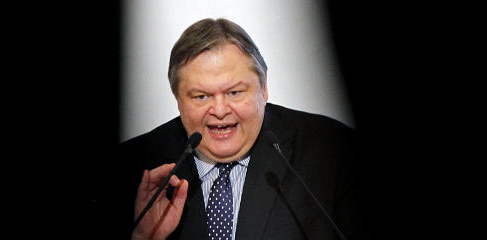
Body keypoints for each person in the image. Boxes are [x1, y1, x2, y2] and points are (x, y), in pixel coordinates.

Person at [120, 18, 359, 240]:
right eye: (201, 96)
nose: (220, 110)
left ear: (263, 88)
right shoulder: (133, 165)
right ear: (178, 99)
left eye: (234, 92)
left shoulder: (332, 150)